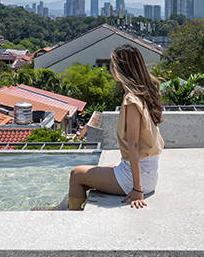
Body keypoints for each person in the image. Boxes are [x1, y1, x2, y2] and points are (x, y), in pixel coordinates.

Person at [67, 44, 164, 210]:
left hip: (138, 177)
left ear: (121, 68)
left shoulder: (132, 101)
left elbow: (133, 146)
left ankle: (69, 215)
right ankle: (66, 206)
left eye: (113, 65)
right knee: (95, 171)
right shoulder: (144, 94)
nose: (111, 69)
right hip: (146, 170)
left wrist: (137, 189)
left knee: (76, 174)